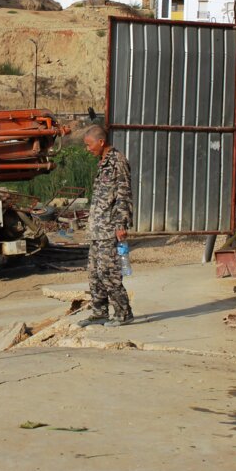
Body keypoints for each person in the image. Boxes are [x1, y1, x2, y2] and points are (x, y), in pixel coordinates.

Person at [79, 124, 135, 327]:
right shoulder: (102, 162)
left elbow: (123, 194)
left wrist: (121, 223)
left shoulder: (117, 161)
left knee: (109, 272)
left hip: (110, 228)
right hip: (97, 228)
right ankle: (99, 311)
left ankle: (123, 312)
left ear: (101, 142)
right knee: (94, 273)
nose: (88, 149)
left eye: (89, 144)